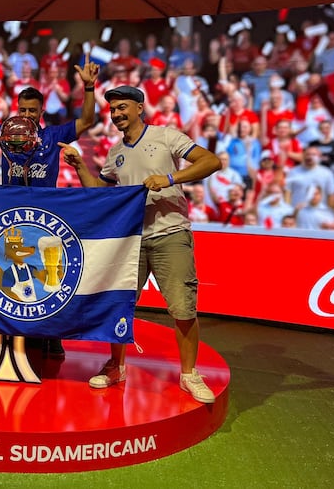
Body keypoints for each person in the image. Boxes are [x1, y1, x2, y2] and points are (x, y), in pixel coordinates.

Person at [59, 84, 221, 403]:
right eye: (113, 109)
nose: (117, 114)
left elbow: (211, 162)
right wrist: (79, 166)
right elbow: (100, 193)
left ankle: (189, 374)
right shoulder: (115, 154)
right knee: (120, 305)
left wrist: (170, 179)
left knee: (183, 308)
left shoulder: (166, 135)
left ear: (139, 107)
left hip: (170, 233)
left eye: (122, 108)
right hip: (130, 241)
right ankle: (116, 366)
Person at [0, 53, 100, 359]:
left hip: (46, 218)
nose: (27, 115)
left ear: (42, 111)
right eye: (22, 109)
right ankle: (8, 330)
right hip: (10, 217)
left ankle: (53, 335)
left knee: (50, 278)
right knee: (13, 277)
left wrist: (89, 89)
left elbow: (87, 120)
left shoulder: (53, 135)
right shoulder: (7, 133)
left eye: (32, 110)